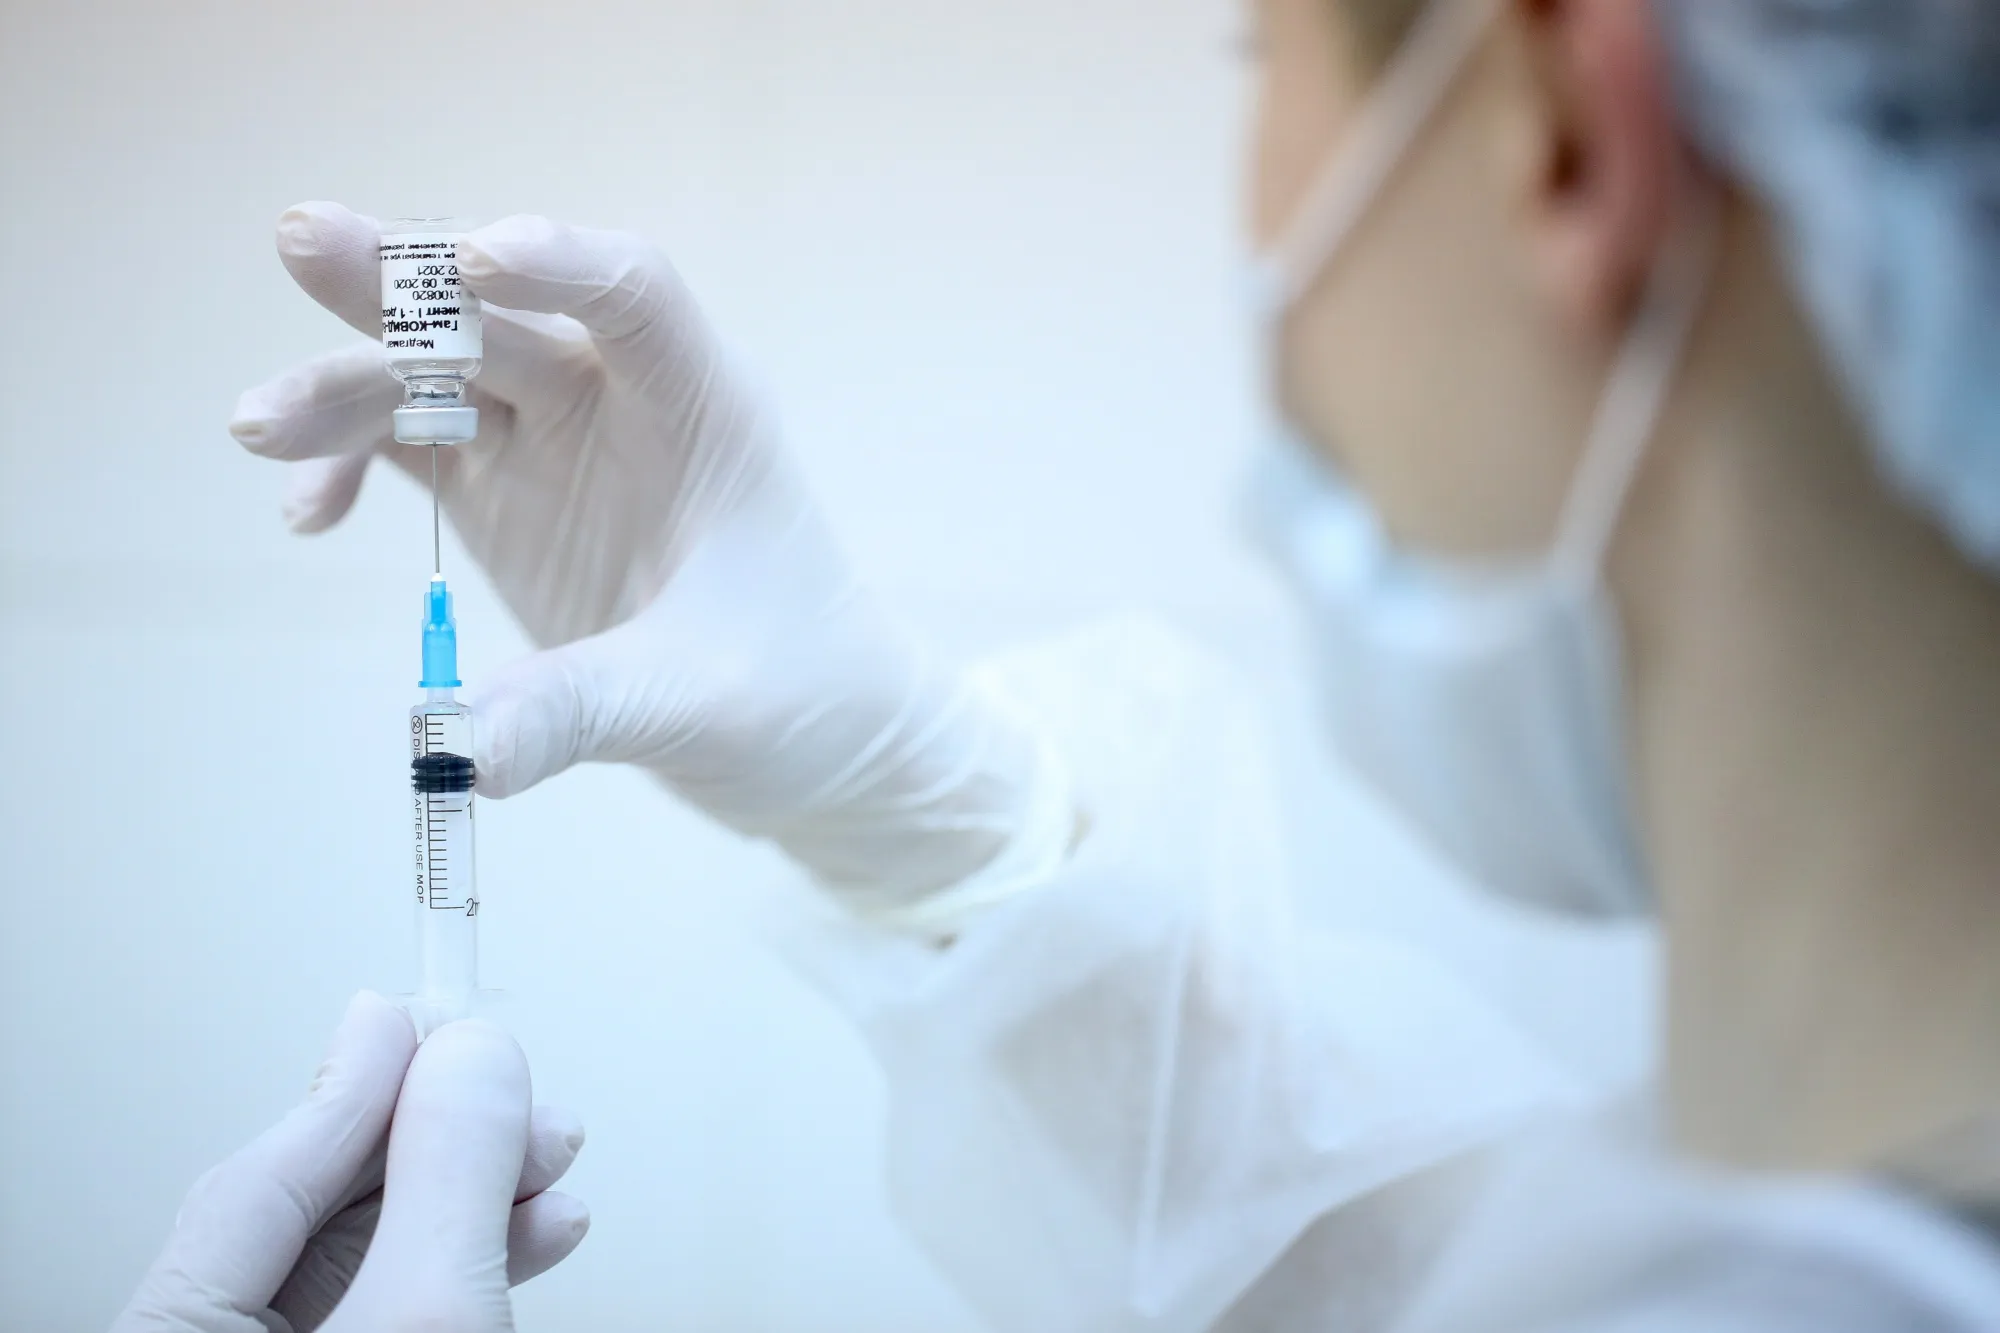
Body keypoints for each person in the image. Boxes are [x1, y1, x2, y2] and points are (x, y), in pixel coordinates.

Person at [119, 0, 2000, 1327]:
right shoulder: (1760, 1236)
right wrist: (953, 843)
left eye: (1259, 55)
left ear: (1569, 136)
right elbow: (1380, 1270)